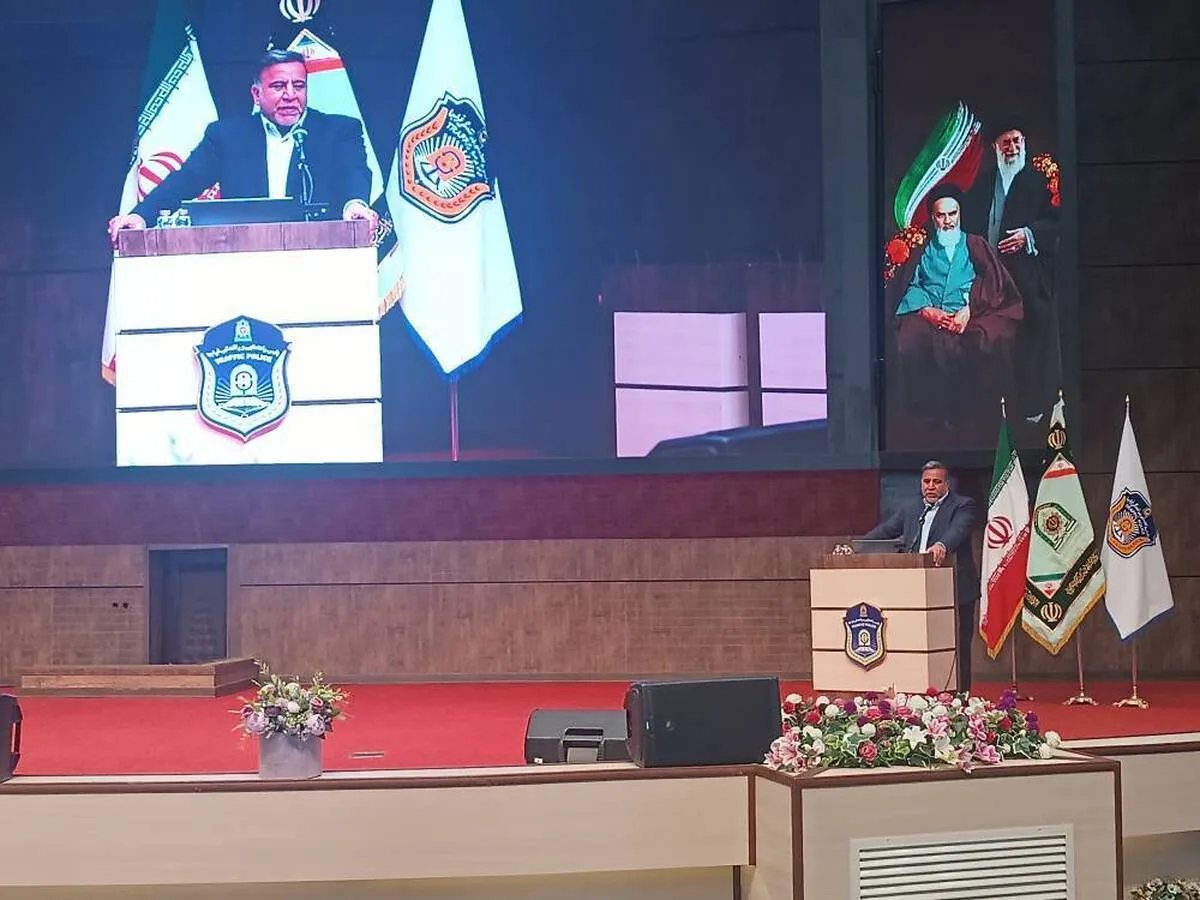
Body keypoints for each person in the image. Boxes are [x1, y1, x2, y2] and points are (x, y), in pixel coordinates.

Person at [108, 49, 377, 245]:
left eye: (298, 86)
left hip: (321, 255)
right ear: (256, 94)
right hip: (246, 259)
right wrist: (141, 216)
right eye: (279, 86)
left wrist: (355, 205)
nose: (290, 95)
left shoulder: (340, 131)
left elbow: (353, 173)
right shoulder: (227, 137)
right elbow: (184, 181)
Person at [886, 184, 1023, 432]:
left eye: (952, 214)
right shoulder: (923, 250)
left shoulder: (975, 244)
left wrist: (969, 309)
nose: (948, 221)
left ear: (960, 214)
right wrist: (927, 311)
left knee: (992, 336)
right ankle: (926, 418)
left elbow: (993, 281)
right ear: (933, 218)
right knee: (908, 336)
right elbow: (912, 285)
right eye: (941, 215)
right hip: (932, 315)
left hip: (970, 312)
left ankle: (980, 418)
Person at [965, 119, 1061, 424]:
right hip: (990, 282)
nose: (1013, 148)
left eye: (1017, 141)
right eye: (1006, 142)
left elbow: (1057, 224)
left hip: (1028, 282)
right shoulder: (983, 185)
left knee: (1029, 346)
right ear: (996, 147)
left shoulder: (1039, 183)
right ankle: (990, 412)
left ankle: (1031, 410)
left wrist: (1028, 234)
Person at [862, 460, 979, 691]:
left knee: (956, 644)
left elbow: (958, 530)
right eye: (926, 481)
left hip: (954, 587)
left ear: (946, 484)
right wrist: (856, 546)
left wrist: (942, 545)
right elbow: (885, 531)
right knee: (915, 642)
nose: (931, 486)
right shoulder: (911, 508)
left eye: (936, 482)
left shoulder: (963, 505)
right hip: (914, 588)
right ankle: (916, 689)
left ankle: (959, 694)